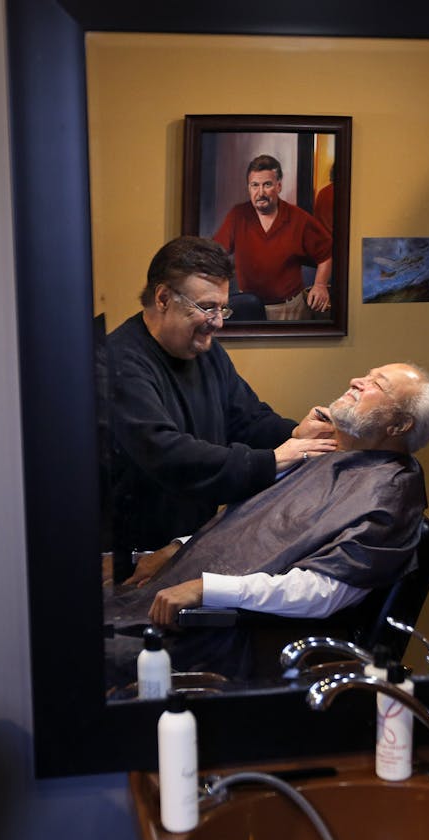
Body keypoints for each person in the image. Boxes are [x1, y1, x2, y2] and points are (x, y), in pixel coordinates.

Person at [108, 362, 429, 679]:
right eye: (367, 374)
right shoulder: (323, 452)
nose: (357, 381)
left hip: (230, 633)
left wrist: (205, 588)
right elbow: (252, 525)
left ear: (400, 425)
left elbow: (324, 592)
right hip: (173, 595)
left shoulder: (390, 492)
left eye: (377, 384)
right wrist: (177, 549)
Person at [106, 236, 336, 583]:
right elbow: (168, 455)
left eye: (222, 308)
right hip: (130, 563)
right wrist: (272, 461)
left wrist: (294, 434)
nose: (218, 322)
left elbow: (247, 418)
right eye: (206, 307)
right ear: (163, 298)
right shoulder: (118, 363)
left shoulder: (206, 351)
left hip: (184, 547)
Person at [213, 154, 334, 320]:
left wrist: (320, 285)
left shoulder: (299, 218)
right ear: (248, 187)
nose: (260, 192)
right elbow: (214, 254)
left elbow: (326, 254)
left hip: (290, 310)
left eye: (267, 185)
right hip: (249, 310)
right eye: (254, 185)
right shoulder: (238, 215)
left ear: (279, 186)